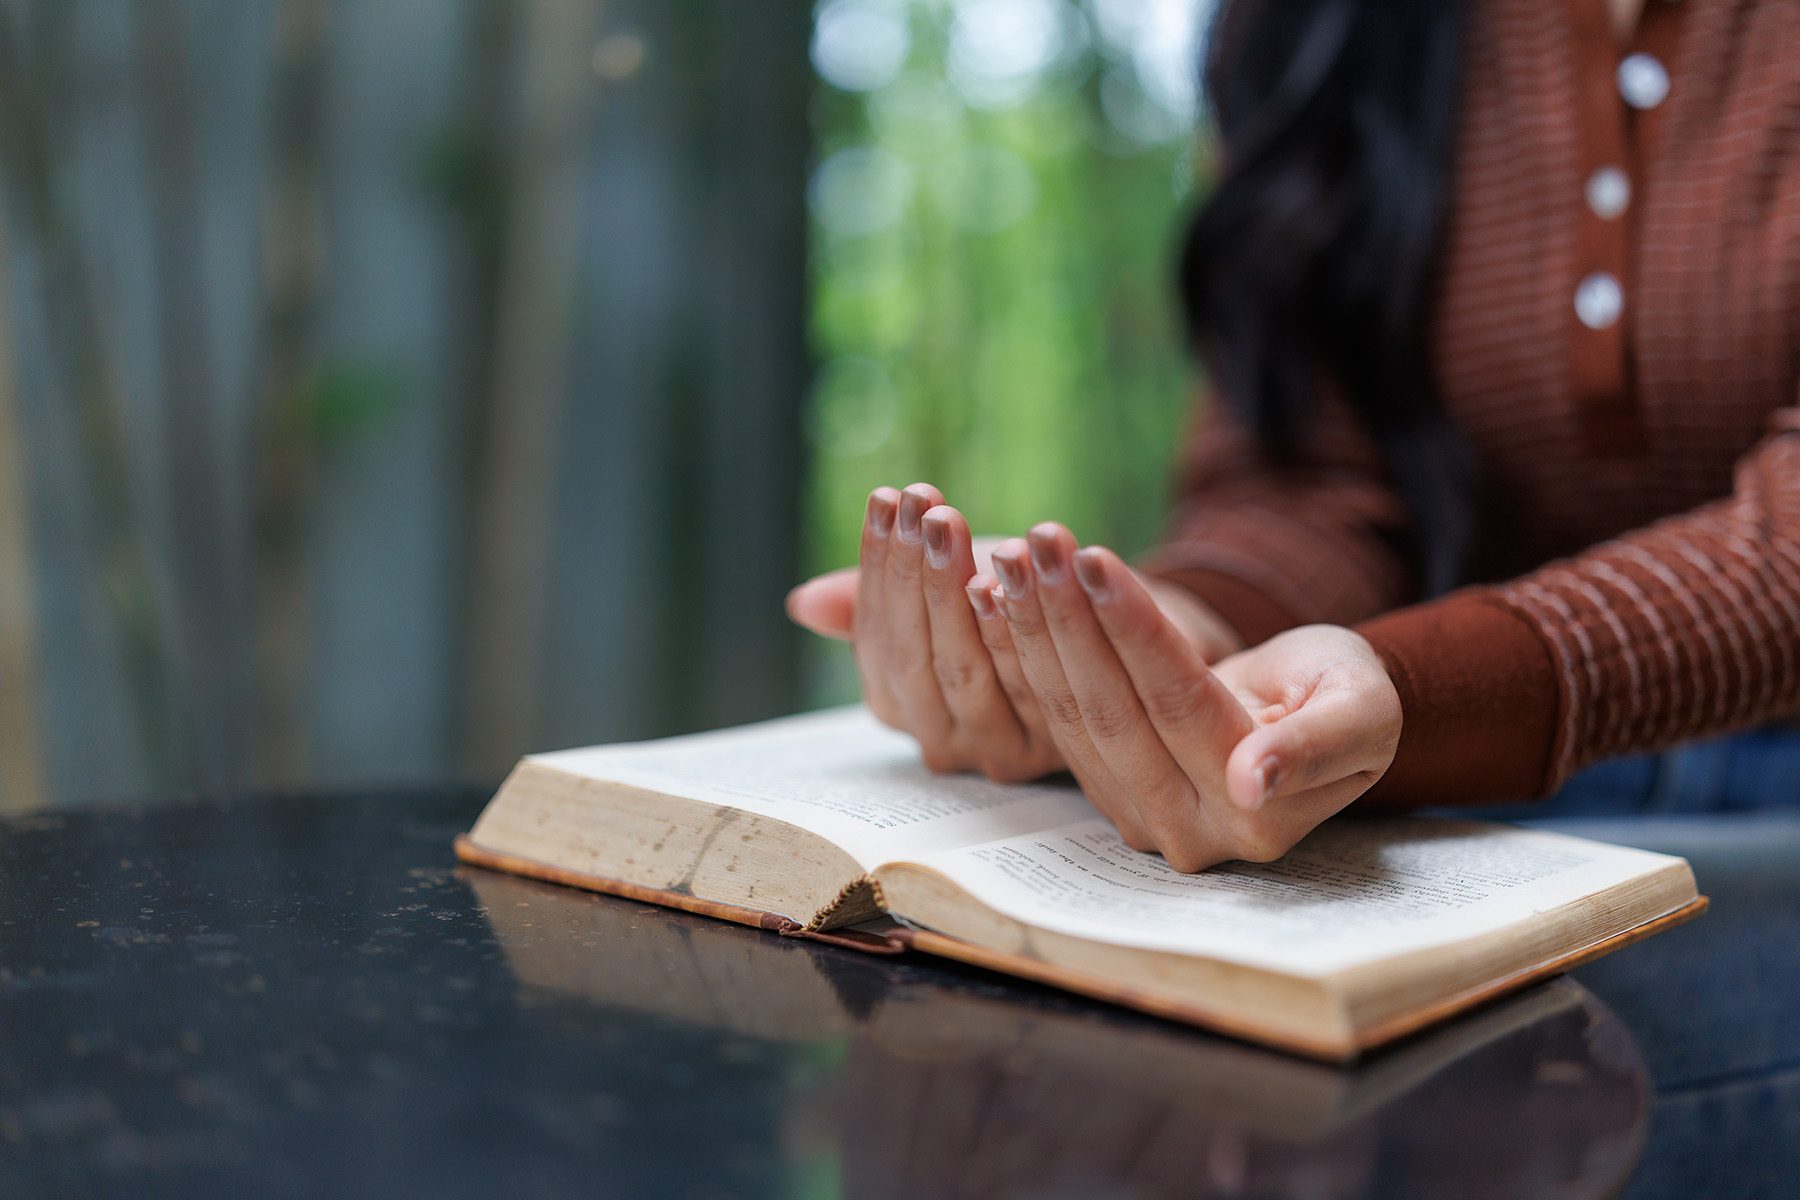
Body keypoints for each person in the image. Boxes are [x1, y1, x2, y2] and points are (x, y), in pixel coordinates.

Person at [788, 0, 1800, 872]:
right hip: (1444, 788)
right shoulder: (1315, 26)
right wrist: (1179, 633)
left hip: (1491, 750)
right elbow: (1308, 474)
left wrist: (1438, 684)